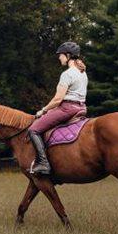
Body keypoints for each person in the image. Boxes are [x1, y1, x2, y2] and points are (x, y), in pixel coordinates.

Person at [28, 41, 88, 175]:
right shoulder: (82, 73)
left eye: (60, 55)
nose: (59, 58)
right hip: (81, 108)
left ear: (68, 55)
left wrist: (43, 110)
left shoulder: (67, 74)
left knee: (33, 130)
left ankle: (43, 163)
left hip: (67, 108)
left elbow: (57, 99)